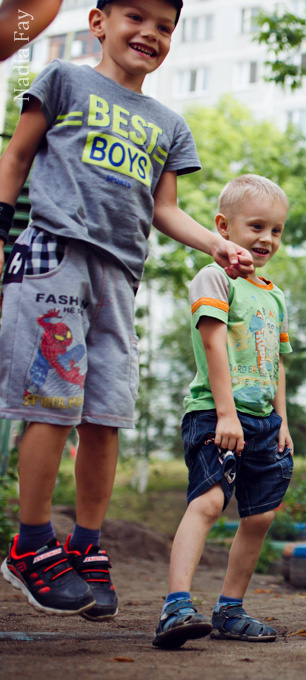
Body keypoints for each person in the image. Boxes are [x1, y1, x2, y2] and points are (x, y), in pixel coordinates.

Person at [0, 0, 253, 621]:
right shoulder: (61, 80)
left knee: (106, 414)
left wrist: (217, 242)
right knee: (52, 403)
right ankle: (31, 542)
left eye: (164, 27)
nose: (150, 34)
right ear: (98, 22)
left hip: (120, 275)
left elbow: (164, 210)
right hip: (55, 254)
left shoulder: (168, 122)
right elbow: (15, 157)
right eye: (135, 17)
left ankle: (86, 543)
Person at [152, 174, 293, 649]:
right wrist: (227, 415)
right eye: (256, 226)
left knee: (260, 516)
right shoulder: (214, 278)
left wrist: (283, 423)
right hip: (216, 413)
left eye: (276, 230)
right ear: (223, 226)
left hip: (263, 422)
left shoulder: (274, 295)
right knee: (210, 501)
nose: (267, 239)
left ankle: (230, 609)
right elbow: (213, 344)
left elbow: (276, 362)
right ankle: (176, 606)